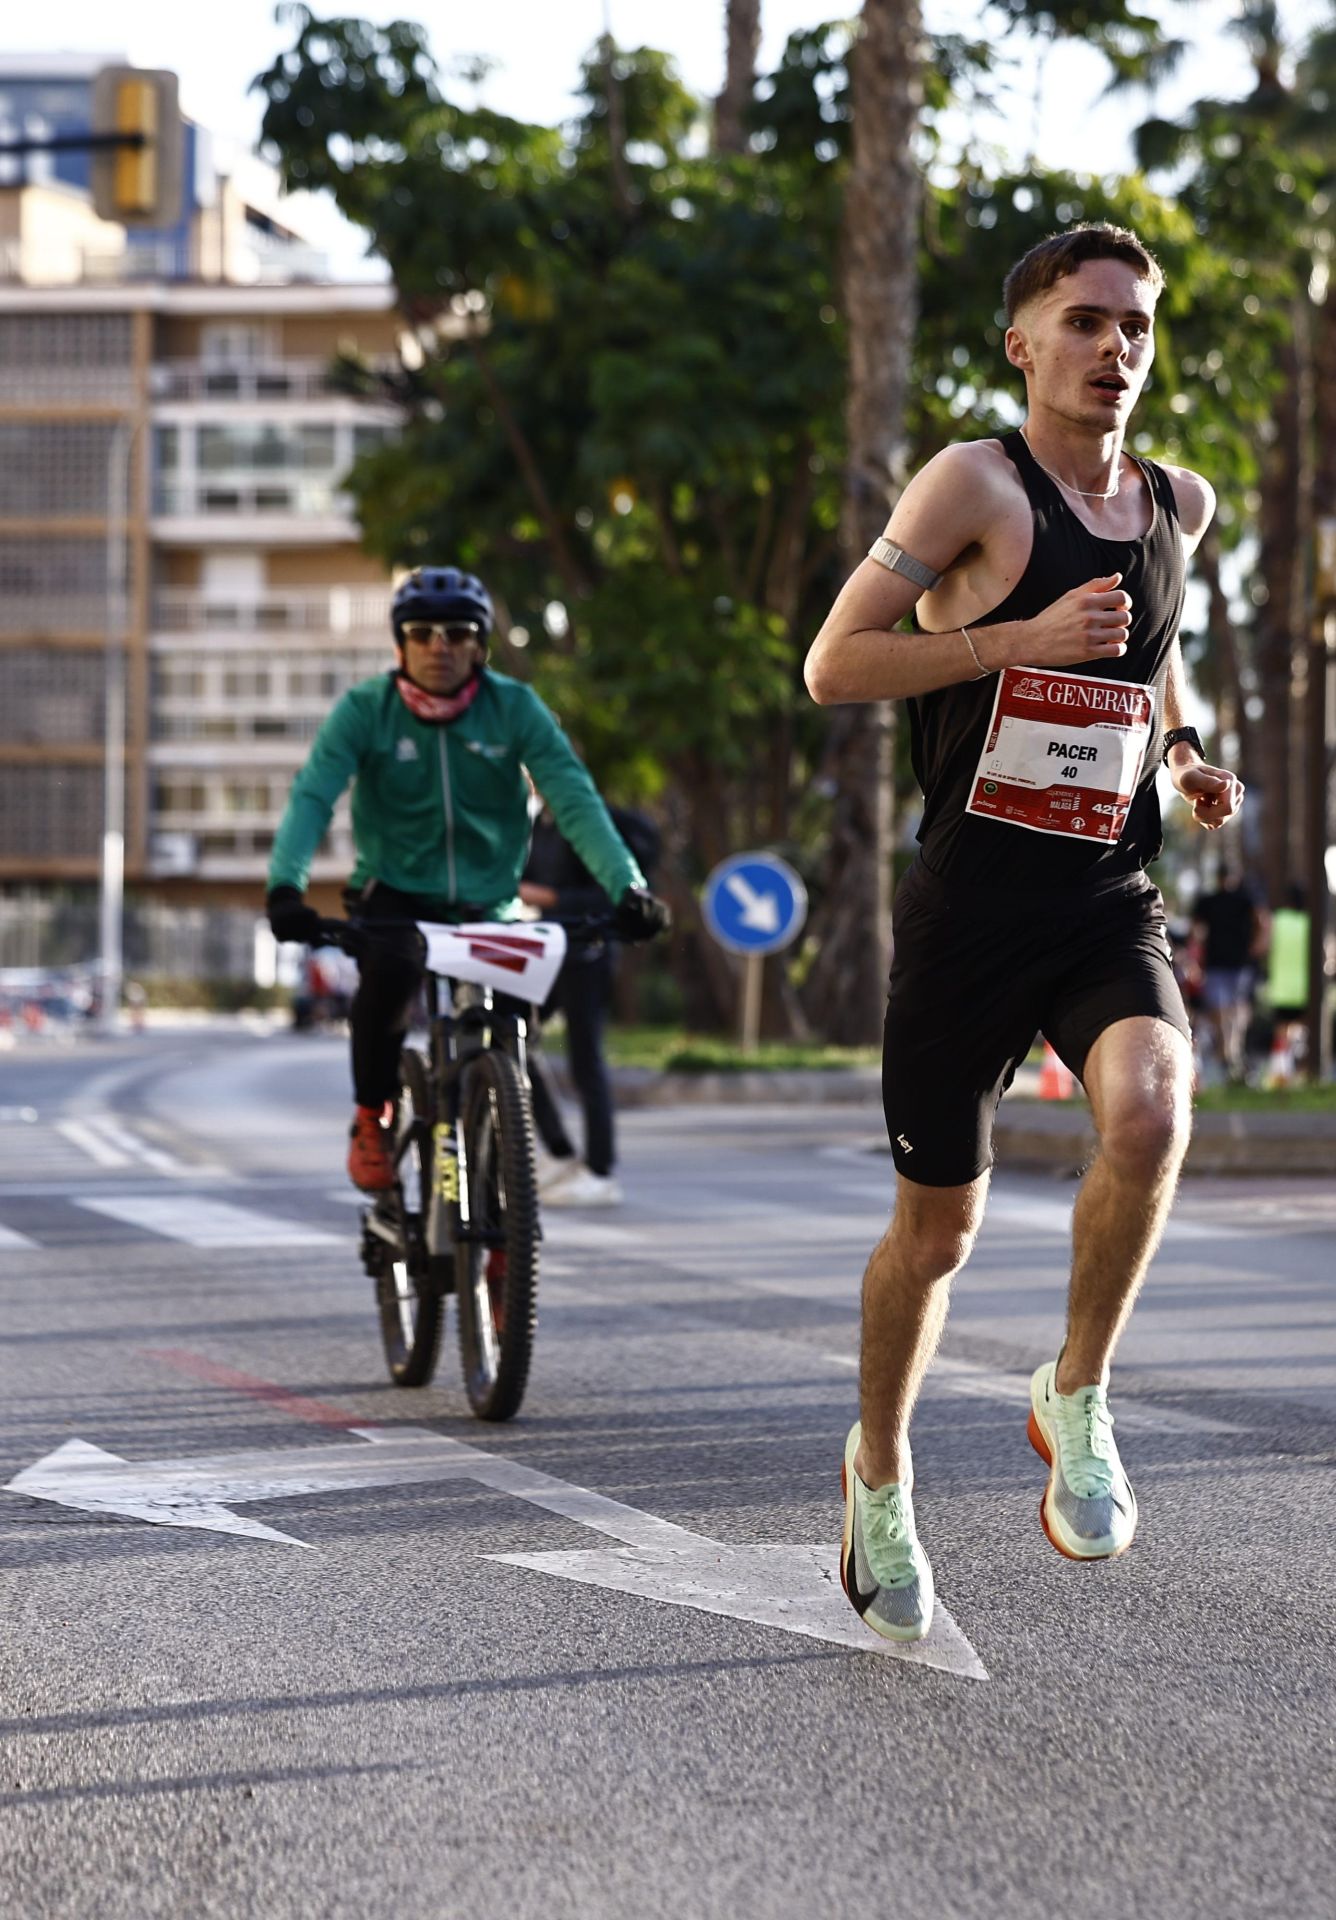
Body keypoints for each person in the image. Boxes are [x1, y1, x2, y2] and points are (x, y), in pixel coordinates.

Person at [805, 224, 1244, 1643]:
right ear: (1024, 344)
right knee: (936, 1233)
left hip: (1103, 897)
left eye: (1136, 326)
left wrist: (1183, 757)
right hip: (969, 911)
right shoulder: (972, 486)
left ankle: (1078, 1389)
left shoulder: (1181, 504)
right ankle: (881, 1466)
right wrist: (1013, 641)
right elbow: (834, 664)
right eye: (1086, 321)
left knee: (1153, 1115)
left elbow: (1156, 653)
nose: (1116, 347)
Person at [265, 566, 669, 1190]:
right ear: (401, 644)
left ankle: (502, 1182)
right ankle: (372, 1116)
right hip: (396, 896)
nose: (439, 646)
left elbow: (574, 798)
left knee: (514, 1024)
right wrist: (285, 888)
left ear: (479, 644)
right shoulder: (365, 711)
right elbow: (313, 796)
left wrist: (628, 887)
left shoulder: (514, 708)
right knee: (387, 985)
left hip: (490, 903)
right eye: (422, 632)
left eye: (457, 633)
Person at [520, 804, 662, 1208]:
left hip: (589, 950)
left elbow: (608, 896)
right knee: (510, 1034)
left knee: (587, 1059)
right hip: (546, 948)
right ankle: (561, 1152)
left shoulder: (588, 821)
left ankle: (601, 1171)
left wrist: (546, 896)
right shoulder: (538, 825)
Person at [1192, 863, 1268, 1082]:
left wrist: (1257, 946)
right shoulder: (1210, 901)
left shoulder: (1244, 899)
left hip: (1236, 963)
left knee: (1234, 1007)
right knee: (1222, 1008)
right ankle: (1228, 1049)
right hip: (1218, 963)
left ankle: (1231, 1048)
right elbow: (1197, 929)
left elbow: (1261, 920)